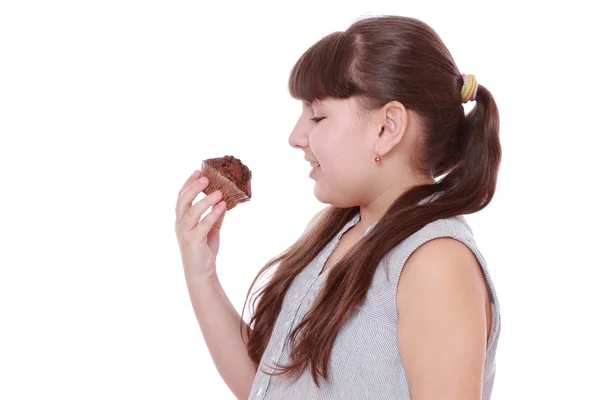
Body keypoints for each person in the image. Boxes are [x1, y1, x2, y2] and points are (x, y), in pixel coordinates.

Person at [175, 14, 501, 400]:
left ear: (387, 128)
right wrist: (202, 275)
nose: (296, 137)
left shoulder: (435, 265)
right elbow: (268, 387)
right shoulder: (336, 230)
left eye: (317, 116)